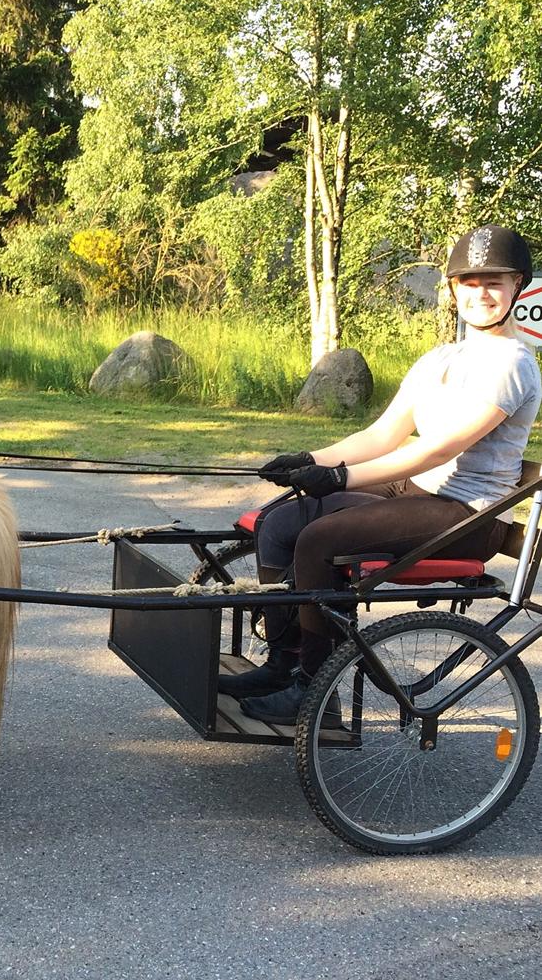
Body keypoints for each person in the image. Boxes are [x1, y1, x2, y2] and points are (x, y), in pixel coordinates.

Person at [220, 224, 542, 725]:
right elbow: (384, 435)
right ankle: (282, 663)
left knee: (319, 539)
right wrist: (311, 459)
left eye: (494, 281)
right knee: (280, 523)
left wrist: (341, 479)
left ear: (517, 285)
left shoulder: (511, 364)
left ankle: (314, 691)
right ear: (454, 288)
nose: (481, 292)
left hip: (467, 513)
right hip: (421, 491)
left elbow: (440, 449)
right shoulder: (443, 357)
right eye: (469, 281)